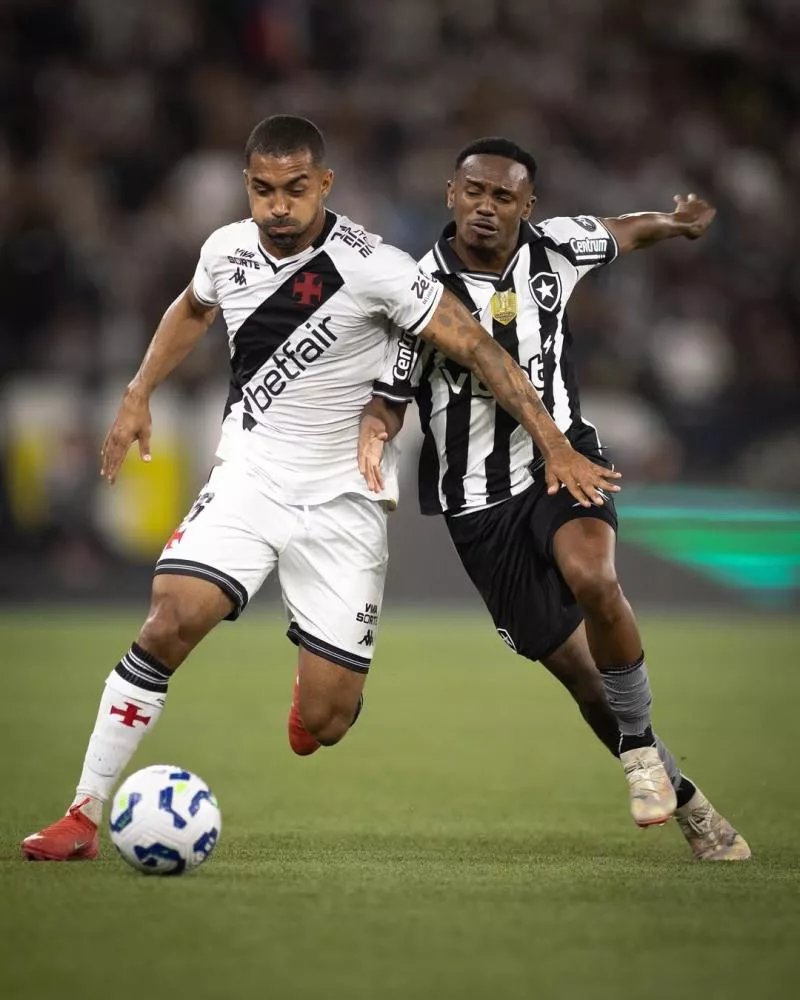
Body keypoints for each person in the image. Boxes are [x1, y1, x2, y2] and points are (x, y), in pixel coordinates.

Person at [21, 118, 621, 861]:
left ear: (324, 186)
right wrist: (139, 390)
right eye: (265, 190)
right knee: (171, 620)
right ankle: (81, 815)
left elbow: (476, 346)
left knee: (329, 721)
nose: (279, 206)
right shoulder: (225, 249)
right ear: (248, 186)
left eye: (296, 190)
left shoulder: (376, 265)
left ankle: (317, 694)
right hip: (251, 476)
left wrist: (551, 441)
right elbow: (193, 308)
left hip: (346, 497)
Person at [359, 137, 749, 861]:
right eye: (473, 191)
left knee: (596, 577)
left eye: (502, 197)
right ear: (451, 193)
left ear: (526, 206)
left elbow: (624, 231)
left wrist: (677, 221)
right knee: (579, 676)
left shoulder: (558, 248)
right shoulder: (414, 290)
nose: (485, 207)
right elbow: (390, 399)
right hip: (477, 504)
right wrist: (374, 439)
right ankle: (687, 797)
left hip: (562, 461)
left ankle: (639, 753)